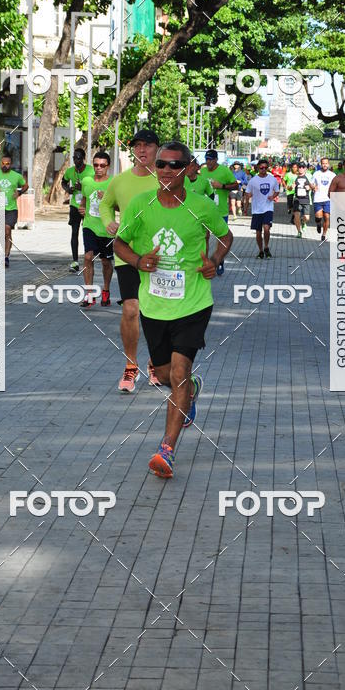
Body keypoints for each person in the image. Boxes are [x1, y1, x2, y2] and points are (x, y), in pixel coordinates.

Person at [113, 142, 233, 479]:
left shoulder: (201, 206)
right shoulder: (141, 205)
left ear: (188, 168)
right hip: (154, 305)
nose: (166, 170)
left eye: (175, 165)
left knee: (178, 372)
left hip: (193, 303)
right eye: (161, 164)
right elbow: (119, 242)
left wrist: (215, 261)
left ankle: (166, 449)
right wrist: (138, 261)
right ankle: (190, 389)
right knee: (166, 376)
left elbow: (225, 236)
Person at [99, 129, 160, 392]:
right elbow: (105, 204)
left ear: (157, 149)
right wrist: (108, 222)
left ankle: (155, 363)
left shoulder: (165, 179)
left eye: (148, 145)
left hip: (159, 257)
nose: (142, 150)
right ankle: (131, 365)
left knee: (155, 314)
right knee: (131, 310)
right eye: (137, 145)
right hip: (127, 255)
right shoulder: (119, 181)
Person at [79, 151, 114, 307]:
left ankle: (106, 291)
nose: (98, 168)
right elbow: (84, 199)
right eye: (95, 165)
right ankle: (89, 294)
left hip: (107, 228)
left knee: (106, 262)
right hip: (89, 225)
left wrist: (107, 198)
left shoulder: (113, 183)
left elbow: (120, 207)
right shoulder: (86, 181)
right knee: (88, 257)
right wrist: (81, 208)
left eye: (102, 165)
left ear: (108, 166)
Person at [0, 154, 28, 268]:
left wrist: (19, 192)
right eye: (3, 163)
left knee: (7, 230)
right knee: (1, 233)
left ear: (11, 164)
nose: (5, 166)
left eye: (7, 164)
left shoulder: (16, 176)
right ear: (1, 163)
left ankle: (6, 256)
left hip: (11, 209)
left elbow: (25, 185)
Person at [199, 149, 237, 274]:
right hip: (205, 211)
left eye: (211, 160)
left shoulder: (225, 171)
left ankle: (219, 261)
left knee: (221, 238)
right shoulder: (202, 172)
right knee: (204, 237)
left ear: (216, 160)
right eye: (207, 159)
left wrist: (222, 186)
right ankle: (205, 262)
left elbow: (235, 185)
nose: (208, 162)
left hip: (220, 211)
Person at [63, 148, 94, 272]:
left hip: (87, 205)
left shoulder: (91, 170)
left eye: (79, 158)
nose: (76, 160)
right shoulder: (70, 171)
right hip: (75, 205)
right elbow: (63, 181)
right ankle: (75, 261)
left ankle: (89, 258)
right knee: (74, 232)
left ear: (83, 158)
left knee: (88, 232)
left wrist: (83, 188)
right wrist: (68, 189)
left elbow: (95, 185)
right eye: (74, 158)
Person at [246, 159, 278, 258]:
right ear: (258, 168)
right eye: (261, 168)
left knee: (267, 228)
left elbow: (277, 190)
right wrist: (246, 206)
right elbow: (247, 193)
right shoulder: (253, 181)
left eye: (265, 168)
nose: (263, 169)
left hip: (268, 208)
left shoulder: (272, 179)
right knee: (258, 232)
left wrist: (273, 196)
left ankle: (266, 247)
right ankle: (260, 251)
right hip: (256, 209)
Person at [311, 156, 337, 241]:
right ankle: (318, 224)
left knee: (327, 217)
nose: (325, 165)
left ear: (328, 164)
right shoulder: (316, 173)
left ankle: (324, 234)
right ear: (321, 164)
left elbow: (336, 185)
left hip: (328, 199)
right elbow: (311, 183)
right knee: (318, 217)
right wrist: (313, 187)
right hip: (318, 198)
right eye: (323, 163)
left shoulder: (332, 175)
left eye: (326, 163)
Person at [293, 163, 312, 237]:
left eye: (302, 167)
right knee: (296, 216)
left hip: (306, 199)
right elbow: (289, 187)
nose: (301, 168)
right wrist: (291, 187)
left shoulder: (309, 176)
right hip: (297, 199)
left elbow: (313, 186)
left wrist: (309, 188)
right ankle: (299, 232)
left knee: (307, 218)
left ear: (305, 168)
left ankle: (303, 222)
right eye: (299, 167)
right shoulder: (295, 176)